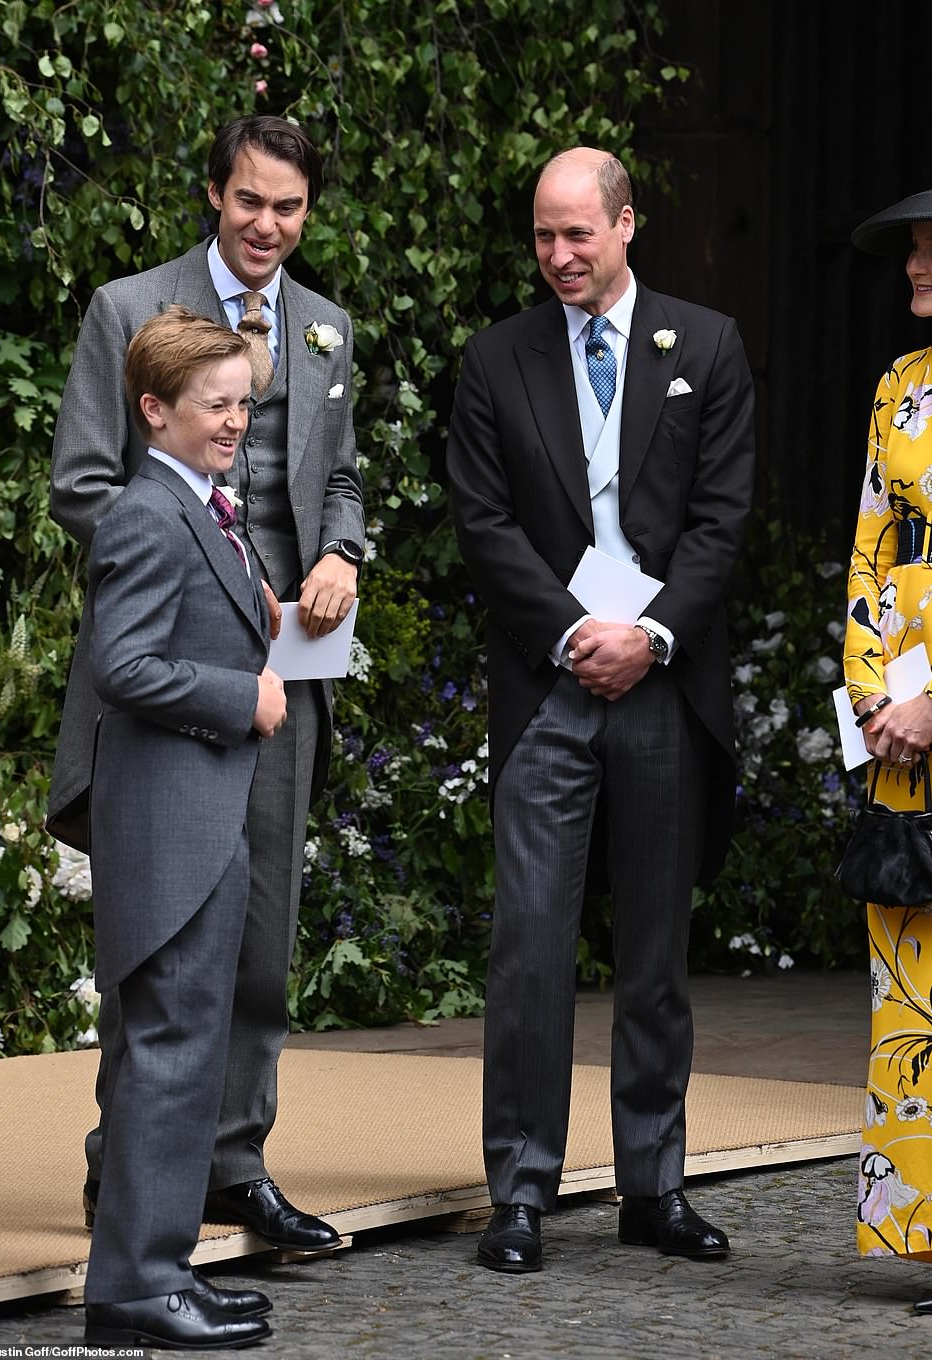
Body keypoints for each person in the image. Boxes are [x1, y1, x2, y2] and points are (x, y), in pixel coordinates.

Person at [48, 115, 364, 1254]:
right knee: (161, 945)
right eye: (249, 201)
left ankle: (234, 1166)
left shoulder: (326, 329)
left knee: (259, 941)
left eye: (288, 207)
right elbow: (84, 487)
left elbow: (347, 483)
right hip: (165, 673)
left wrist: (339, 550)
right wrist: (211, 571)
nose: (267, 225)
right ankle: (127, 1182)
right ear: (214, 195)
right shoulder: (130, 310)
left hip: (284, 680)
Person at [447, 147, 754, 1272]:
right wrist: (574, 633)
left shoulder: (706, 343)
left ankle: (652, 1186)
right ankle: (520, 1189)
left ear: (626, 226)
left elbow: (723, 518)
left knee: (655, 950)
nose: (558, 256)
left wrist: (652, 633)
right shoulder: (494, 359)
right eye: (541, 235)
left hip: (662, 684)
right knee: (527, 945)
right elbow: (482, 524)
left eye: (577, 234)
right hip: (546, 686)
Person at [82, 307, 279, 1348]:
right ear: (155, 409)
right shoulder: (144, 514)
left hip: (200, 818)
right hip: (167, 819)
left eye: (244, 400)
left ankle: (162, 1266)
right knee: (164, 1051)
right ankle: (130, 1289)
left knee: (187, 1049)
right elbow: (122, 666)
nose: (236, 420)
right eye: (216, 404)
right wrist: (236, 691)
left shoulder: (198, 506)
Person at [844, 190, 932, 1311]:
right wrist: (869, 693)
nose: (913, 270)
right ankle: (915, 1226)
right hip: (896, 727)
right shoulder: (897, 386)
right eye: (910, 254)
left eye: (928, 254)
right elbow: (868, 543)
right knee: (907, 986)